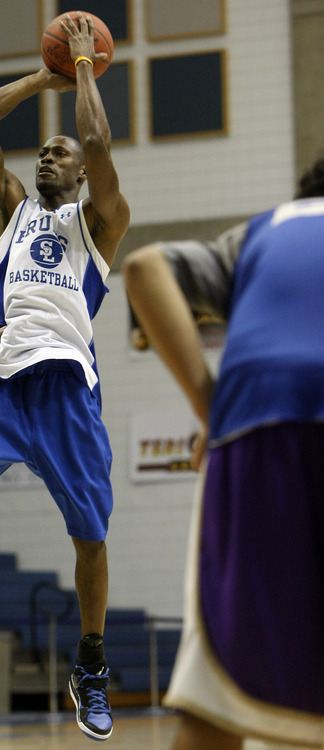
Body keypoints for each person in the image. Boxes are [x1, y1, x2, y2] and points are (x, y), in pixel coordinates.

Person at [0, 11, 129, 742]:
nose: (50, 155)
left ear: (79, 177)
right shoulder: (8, 212)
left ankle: (92, 664)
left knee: (91, 536)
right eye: (42, 150)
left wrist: (82, 67)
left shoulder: (100, 226)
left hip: (68, 393)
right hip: (4, 384)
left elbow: (101, 140)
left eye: (61, 153)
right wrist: (43, 75)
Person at [123, 155, 324, 749]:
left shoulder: (268, 231)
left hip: (256, 431)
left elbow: (143, 266)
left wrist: (215, 412)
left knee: (217, 700)